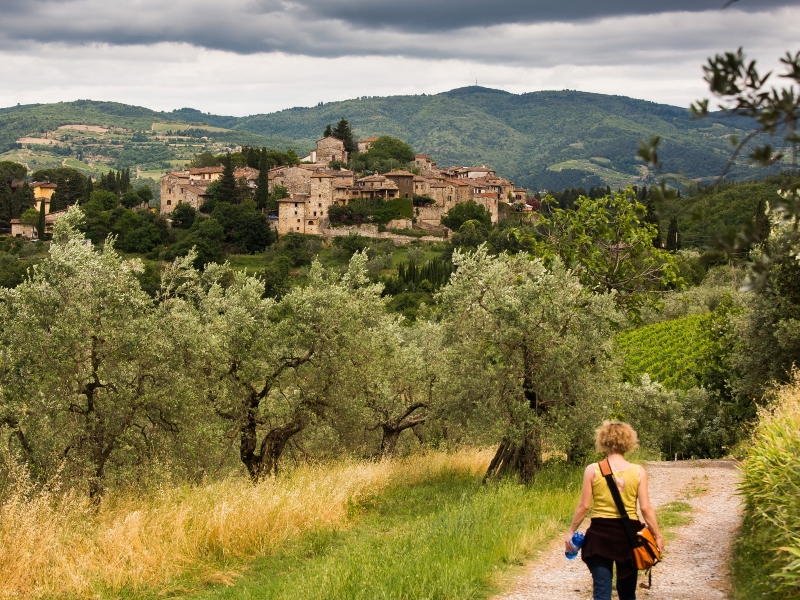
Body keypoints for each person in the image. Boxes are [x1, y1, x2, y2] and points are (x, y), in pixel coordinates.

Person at [565, 421, 665, 600]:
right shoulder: (638, 471)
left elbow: (584, 506)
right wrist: (657, 535)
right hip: (629, 537)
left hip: (599, 536)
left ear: (603, 441)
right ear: (629, 442)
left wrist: (571, 531)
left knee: (602, 591)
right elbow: (645, 508)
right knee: (627, 592)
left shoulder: (593, 470)